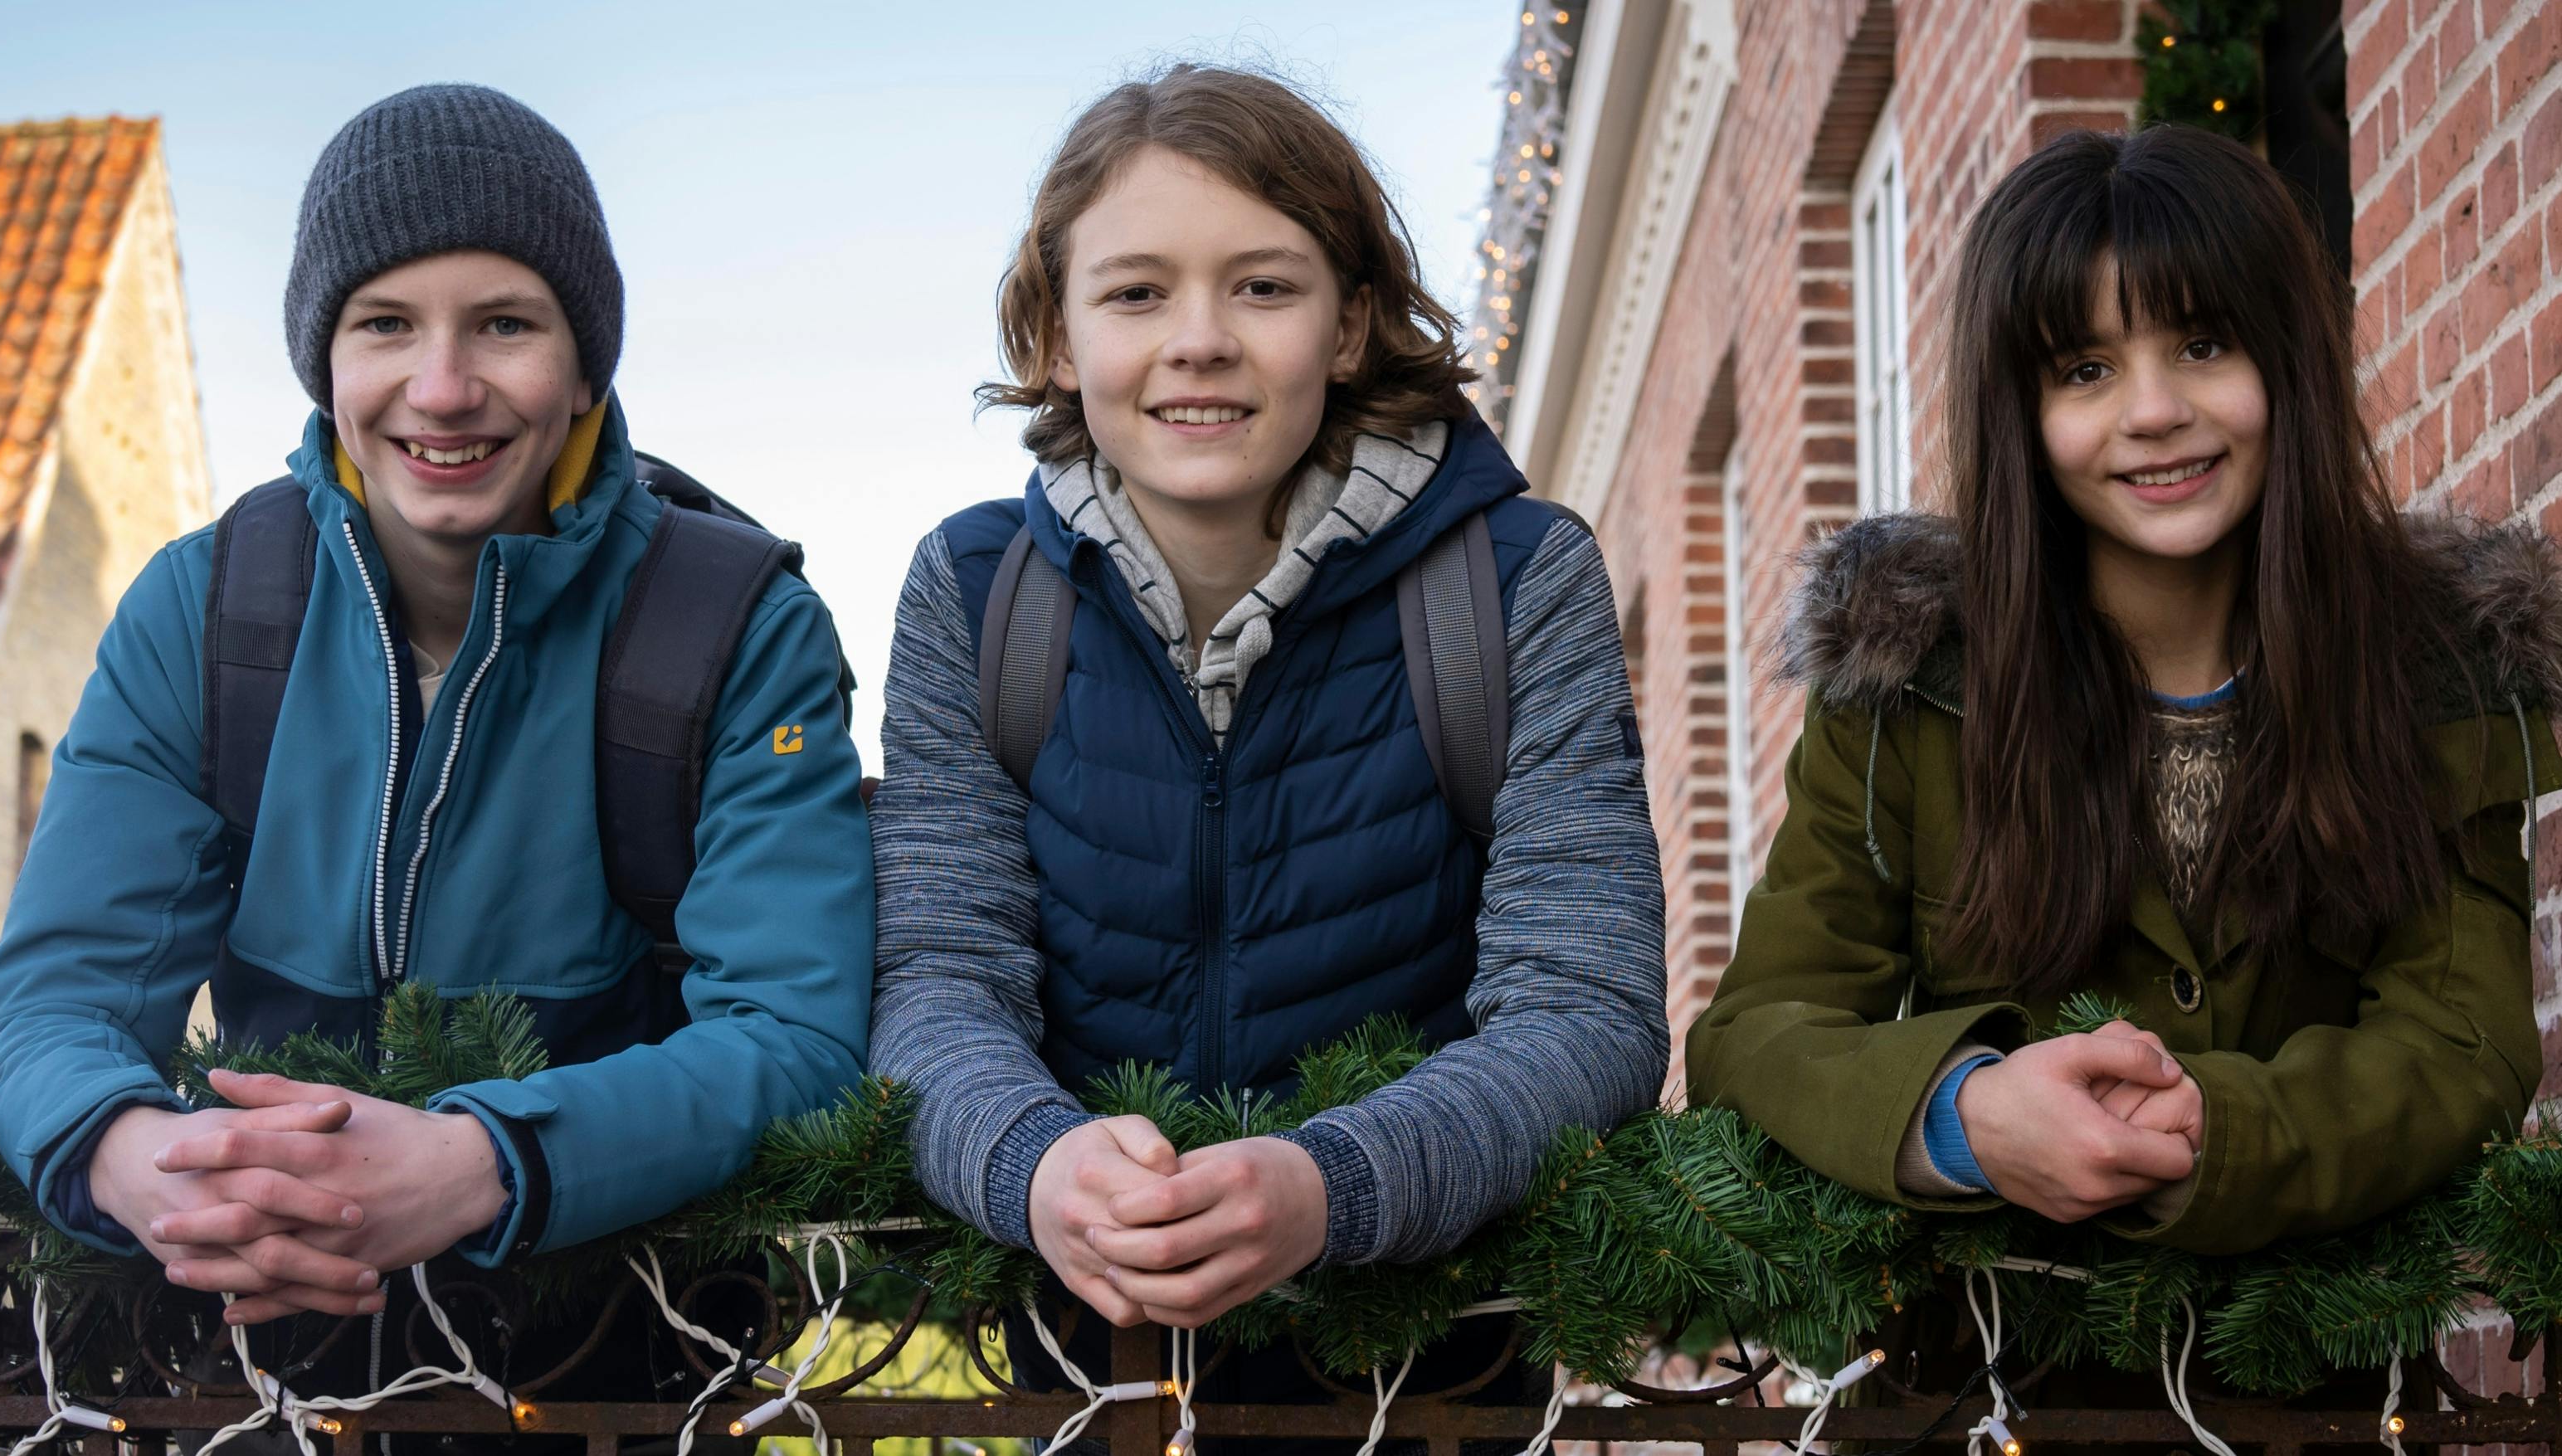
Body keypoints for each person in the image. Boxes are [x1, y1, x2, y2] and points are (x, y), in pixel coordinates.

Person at [0, 83, 871, 1405]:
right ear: (324, 363)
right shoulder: (203, 614)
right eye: (385, 324)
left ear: (586, 366)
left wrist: (482, 1163)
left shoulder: (737, 629)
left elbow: (796, 1035)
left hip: (629, 1364)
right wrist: (136, 1160)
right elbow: (53, 1000)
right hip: (265, 1358)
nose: (442, 391)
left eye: (505, 324)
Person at [1685, 124, 2556, 1416]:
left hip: (2317, 1412)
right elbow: (1759, 1032)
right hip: (1976, 1402)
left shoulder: (2437, 675)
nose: (2153, 411)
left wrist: (2213, 1131)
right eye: (2085, 368)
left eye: (2203, 345)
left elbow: (2459, 1043)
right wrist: (1967, 1116)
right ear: (2022, 413)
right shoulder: (1908, 686)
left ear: (2286, 361)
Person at [868, 62, 1667, 1434]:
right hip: (1088, 1377)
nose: (1199, 341)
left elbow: (1586, 1008)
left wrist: (1328, 1187)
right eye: (1136, 293)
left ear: (1349, 326)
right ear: (1055, 336)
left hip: (1427, 1385)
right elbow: (936, 979)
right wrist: (1036, 1165)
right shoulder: (976, 594)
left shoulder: (1516, 582)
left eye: (1263, 286)